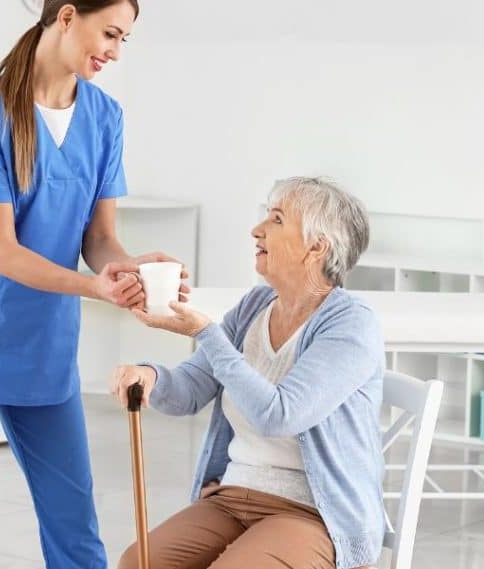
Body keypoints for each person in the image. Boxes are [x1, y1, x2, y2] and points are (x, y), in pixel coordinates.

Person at [0, 2, 187, 567]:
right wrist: (95, 288)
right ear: (66, 17)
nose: (114, 51)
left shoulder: (105, 116)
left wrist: (128, 269)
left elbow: (99, 237)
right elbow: (3, 252)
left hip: (45, 343)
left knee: (74, 523)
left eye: (124, 40)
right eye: (109, 33)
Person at [111, 177, 385, 569]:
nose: (257, 230)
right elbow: (190, 390)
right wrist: (150, 377)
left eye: (277, 220)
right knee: (138, 563)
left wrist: (206, 334)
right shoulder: (254, 305)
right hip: (232, 497)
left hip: (312, 513)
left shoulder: (351, 324)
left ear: (317, 246)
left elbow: (278, 416)